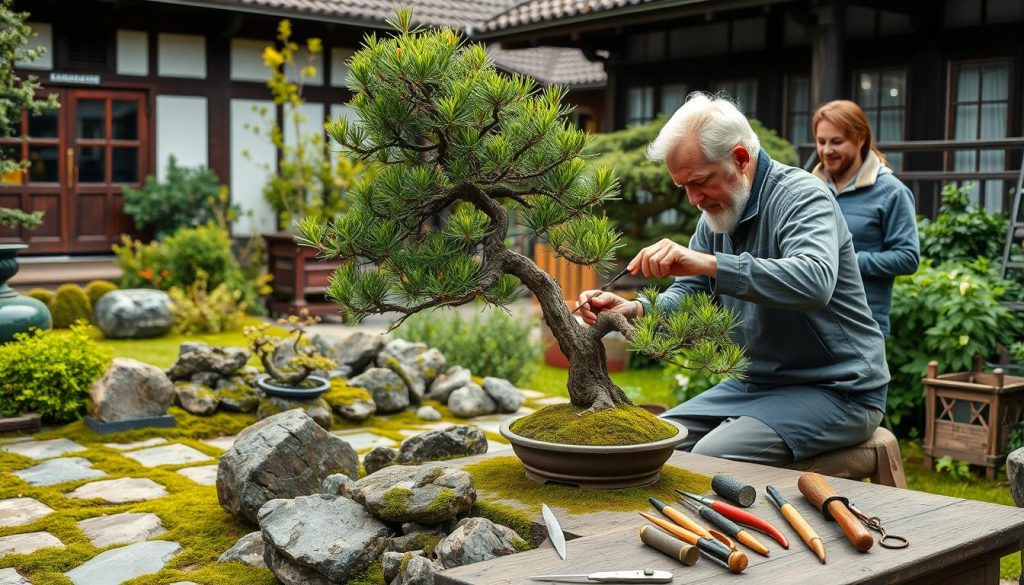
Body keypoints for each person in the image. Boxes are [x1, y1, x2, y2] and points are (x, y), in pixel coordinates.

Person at [576, 93, 889, 465]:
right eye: (684, 188)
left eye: (699, 181)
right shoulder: (717, 212)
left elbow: (814, 280)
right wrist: (636, 309)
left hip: (838, 388)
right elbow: (691, 293)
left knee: (713, 456)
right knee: (655, 441)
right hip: (755, 384)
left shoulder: (803, 196)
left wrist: (710, 263)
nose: (693, 199)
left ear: (739, 159)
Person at [811, 100, 920, 337]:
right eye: (821, 142)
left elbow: (908, 257)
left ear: (860, 139)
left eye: (837, 142)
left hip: (861, 326)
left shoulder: (892, 192)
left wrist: (849, 262)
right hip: (809, 325)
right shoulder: (807, 189)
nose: (827, 150)